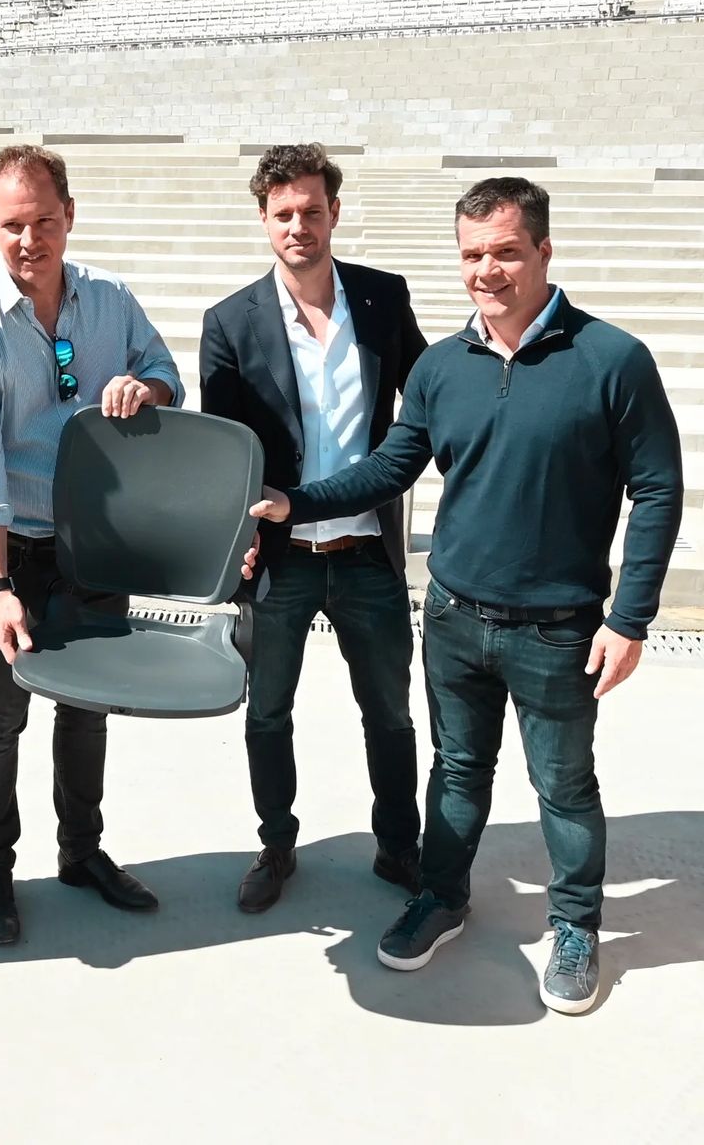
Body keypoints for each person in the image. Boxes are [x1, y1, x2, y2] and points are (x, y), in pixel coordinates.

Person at [251, 177, 682, 1014]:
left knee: (565, 788)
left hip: (559, 628)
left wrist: (629, 619)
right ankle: (442, 897)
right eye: (473, 254)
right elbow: (391, 465)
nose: (488, 270)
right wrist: (293, 503)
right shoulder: (442, 367)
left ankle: (576, 926)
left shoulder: (613, 359)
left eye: (506, 252)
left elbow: (658, 489)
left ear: (544, 251)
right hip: (453, 617)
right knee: (455, 773)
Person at [0, 144, 186, 946]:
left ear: (69, 216)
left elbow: (165, 369)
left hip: (94, 546)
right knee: (0, 716)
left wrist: (146, 387)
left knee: (87, 708)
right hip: (13, 552)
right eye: (13, 224)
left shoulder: (109, 299)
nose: (29, 240)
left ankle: (82, 853)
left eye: (44, 221)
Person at [200, 143, 427, 913]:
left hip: (367, 552)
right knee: (267, 712)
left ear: (334, 212)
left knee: (389, 714)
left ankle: (399, 846)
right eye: (284, 214)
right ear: (264, 220)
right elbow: (227, 449)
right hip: (281, 560)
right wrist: (237, 540)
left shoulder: (382, 298)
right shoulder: (230, 322)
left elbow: (426, 401)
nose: (299, 225)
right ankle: (276, 844)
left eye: (312, 210)